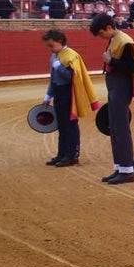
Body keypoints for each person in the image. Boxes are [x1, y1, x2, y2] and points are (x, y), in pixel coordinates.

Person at [90, 12, 134, 184]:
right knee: (114, 126)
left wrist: (111, 61)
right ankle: (120, 167)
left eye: (101, 34)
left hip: (122, 87)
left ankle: (127, 170)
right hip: (115, 86)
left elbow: (131, 66)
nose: (101, 37)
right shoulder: (116, 39)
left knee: (120, 127)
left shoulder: (125, 41)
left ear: (108, 27)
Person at [41, 29, 98, 168]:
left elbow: (72, 77)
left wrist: (59, 66)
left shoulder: (71, 56)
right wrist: (48, 95)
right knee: (61, 125)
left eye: (51, 45)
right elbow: (53, 79)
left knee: (70, 124)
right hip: (59, 93)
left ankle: (72, 155)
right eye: (48, 46)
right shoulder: (55, 56)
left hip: (69, 93)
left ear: (60, 42)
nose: (49, 49)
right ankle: (62, 154)